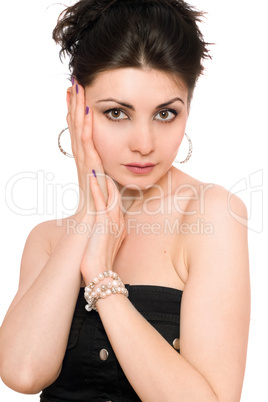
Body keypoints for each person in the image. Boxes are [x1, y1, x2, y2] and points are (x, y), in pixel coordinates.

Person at [0, 0, 250, 401]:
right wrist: (87, 218)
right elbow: (23, 373)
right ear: (76, 108)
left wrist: (101, 277)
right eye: (117, 113)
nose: (144, 144)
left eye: (165, 114)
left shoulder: (210, 215)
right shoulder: (47, 240)